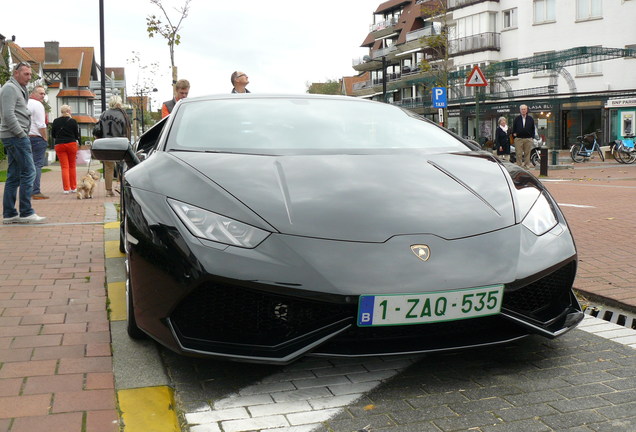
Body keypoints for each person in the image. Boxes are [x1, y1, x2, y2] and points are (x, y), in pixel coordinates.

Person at [0, 62, 46, 224]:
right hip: (16, 136)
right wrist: (21, 134)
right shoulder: (9, 89)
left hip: (15, 136)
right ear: (16, 73)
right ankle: (26, 212)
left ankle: (10, 213)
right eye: (26, 74)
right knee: (29, 171)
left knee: (14, 175)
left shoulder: (18, 88)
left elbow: (19, 111)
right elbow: (8, 115)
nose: (29, 78)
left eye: (30, 74)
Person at [94, 95, 131, 196]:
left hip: (105, 143)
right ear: (119, 102)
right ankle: (119, 186)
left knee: (108, 168)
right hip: (119, 143)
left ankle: (108, 190)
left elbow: (98, 129)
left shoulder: (103, 114)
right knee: (121, 166)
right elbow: (126, 130)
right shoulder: (123, 115)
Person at [51, 105, 80, 194]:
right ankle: (73, 187)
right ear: (69, 111)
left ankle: (66, 188)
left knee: (64, 167)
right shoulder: (73, 121)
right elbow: (76, 135)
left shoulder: (55, 121)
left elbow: (53, 135)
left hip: (59, 145)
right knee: (72, 166)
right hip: (71, 144)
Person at [27, 85, 49, 199]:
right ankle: (35, 191)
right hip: (37, 138)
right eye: (41, 93)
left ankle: (26, 190)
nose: (43, 96)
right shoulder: (38, 105)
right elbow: (41, 124)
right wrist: (45, 138)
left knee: (26, 165)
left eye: (44, 93)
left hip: (25, 137)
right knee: (37, 165)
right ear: (33, 93)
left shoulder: (25, 103)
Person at [511, 104, 535, 169]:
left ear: (526, 110)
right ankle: (519, 166)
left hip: (528, 139)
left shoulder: (530, 119)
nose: (523, 110)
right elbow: (514, 128)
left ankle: (527, 166)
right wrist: (514, 135)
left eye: (524, 109)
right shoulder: (517, 119)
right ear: (520, 110)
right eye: (522, 109)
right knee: (519, 153)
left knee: (527, 153)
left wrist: (532, 137)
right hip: (519, 139)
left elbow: (533, 128)